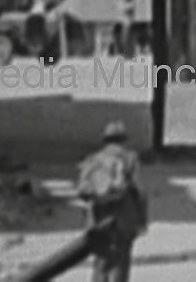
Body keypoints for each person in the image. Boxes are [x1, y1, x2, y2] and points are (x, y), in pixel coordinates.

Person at [18, 119, 149, 282]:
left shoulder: (94, 159)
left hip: (98, 220)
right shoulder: (130, 158)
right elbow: (140, 191)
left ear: (105, 140)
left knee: (101, 262)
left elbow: (83, 192)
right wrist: (142, 220)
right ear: (124, 139)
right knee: (120, 263)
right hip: (123, 220)